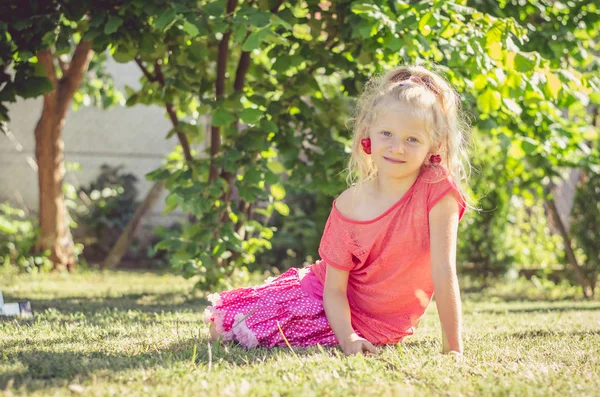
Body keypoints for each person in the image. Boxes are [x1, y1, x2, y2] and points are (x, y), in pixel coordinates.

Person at [204, 65, 470, 356]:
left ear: (433, 144)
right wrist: (349, 338)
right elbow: (333, 290)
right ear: (368, 134)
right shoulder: (350, 205)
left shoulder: (436, 188)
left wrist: (453, 350)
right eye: (387, 134)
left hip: (382, 324)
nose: (397, 148)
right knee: (223, 328)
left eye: (412, 139)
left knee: (231, 330)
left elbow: (444, 271)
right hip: (329, 302)